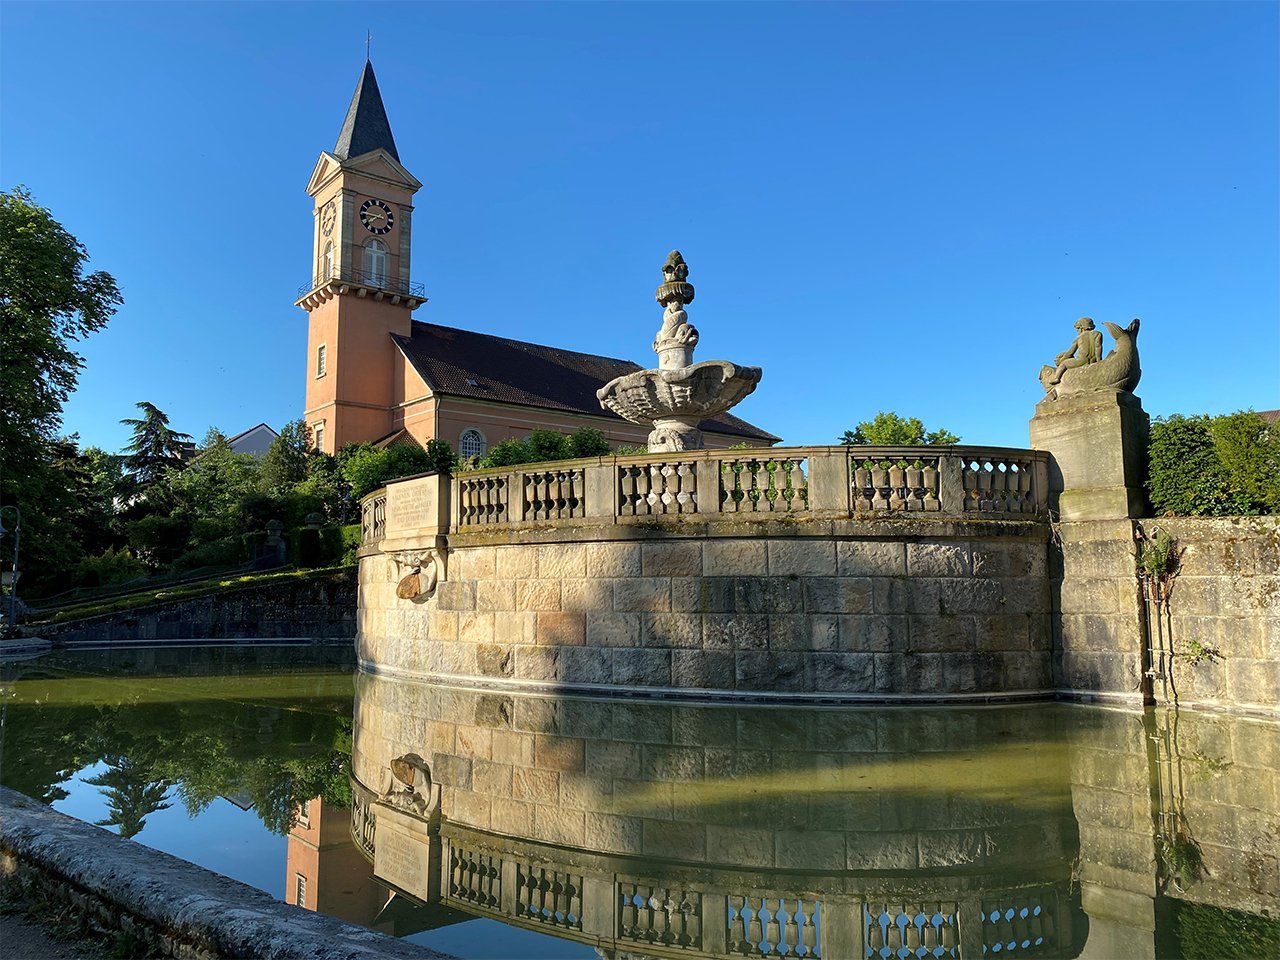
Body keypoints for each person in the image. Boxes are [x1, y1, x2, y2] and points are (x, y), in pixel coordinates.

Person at [1047, 317, 1104, 386]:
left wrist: (1062, 360)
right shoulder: (1098, 334)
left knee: (1063, 364)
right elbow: (1098, 347)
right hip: (1093, 360)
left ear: (1081, 328)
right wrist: (1099, 360)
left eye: (1077, 329)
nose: (1077, 331)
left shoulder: (1079, 338)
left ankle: (1056, 378)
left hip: (1082, 360)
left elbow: (1070, 352)